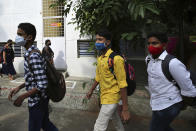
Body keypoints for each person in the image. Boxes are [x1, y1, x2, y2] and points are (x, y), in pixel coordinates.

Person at [8, 23, 58, 131]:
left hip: (37, 101)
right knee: (45, 124)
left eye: (20, 34)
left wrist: (22, 97)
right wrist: (19, 87)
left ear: (29, 37)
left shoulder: (33, 56)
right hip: (42, 99)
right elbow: (33, 78)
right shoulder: (31, 53)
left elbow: (42, 84)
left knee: (34, 127)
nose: (17, 37)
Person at [145, 32, 196, 131]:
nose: (150, 46)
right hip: (156, 103)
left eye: (155, 43)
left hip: (170, 105)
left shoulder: (173, 63)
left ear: (164, 45)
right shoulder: (148, 60)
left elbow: (188, 87)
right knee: (163, 128)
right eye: (149, 43)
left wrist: (183, 103)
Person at [86, 29, 130, 131]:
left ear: (108, 42)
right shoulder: (101, 58)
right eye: (96, 40)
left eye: (100, 40)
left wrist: (125, 108)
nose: (97, 42)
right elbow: (98, 77)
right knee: (116, 121)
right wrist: (91, 90)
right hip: (104, 96)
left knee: (98, 127)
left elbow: (122, 84)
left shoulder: (116, 59)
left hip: (112, 97)